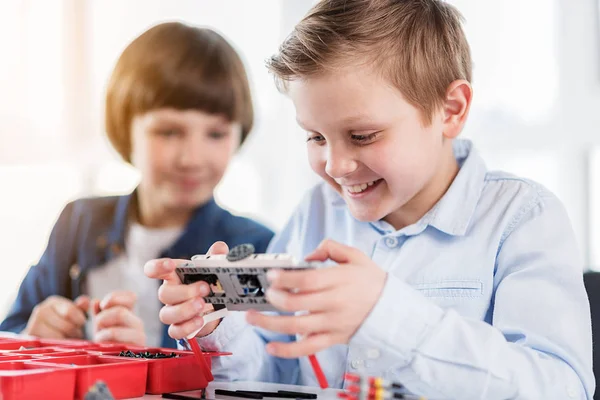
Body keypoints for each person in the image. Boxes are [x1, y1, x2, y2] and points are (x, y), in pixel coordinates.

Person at [144, 1, 594, 398]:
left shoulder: (521, 219)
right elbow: (278, 368)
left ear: (450, 110)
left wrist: (387, 314)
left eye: (363, 136)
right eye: (315, 136)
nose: (336, 166)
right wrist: (221, 324)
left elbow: (560, 388)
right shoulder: (316, 214)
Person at [0, 22, 273, 349]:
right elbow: (12, 330)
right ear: (126, 129)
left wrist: (143, 361)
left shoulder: (252, 247)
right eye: (169, 132)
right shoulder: (79, 222)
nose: (192, 158)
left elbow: (261, 369)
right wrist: (34, 335)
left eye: (216, 134)